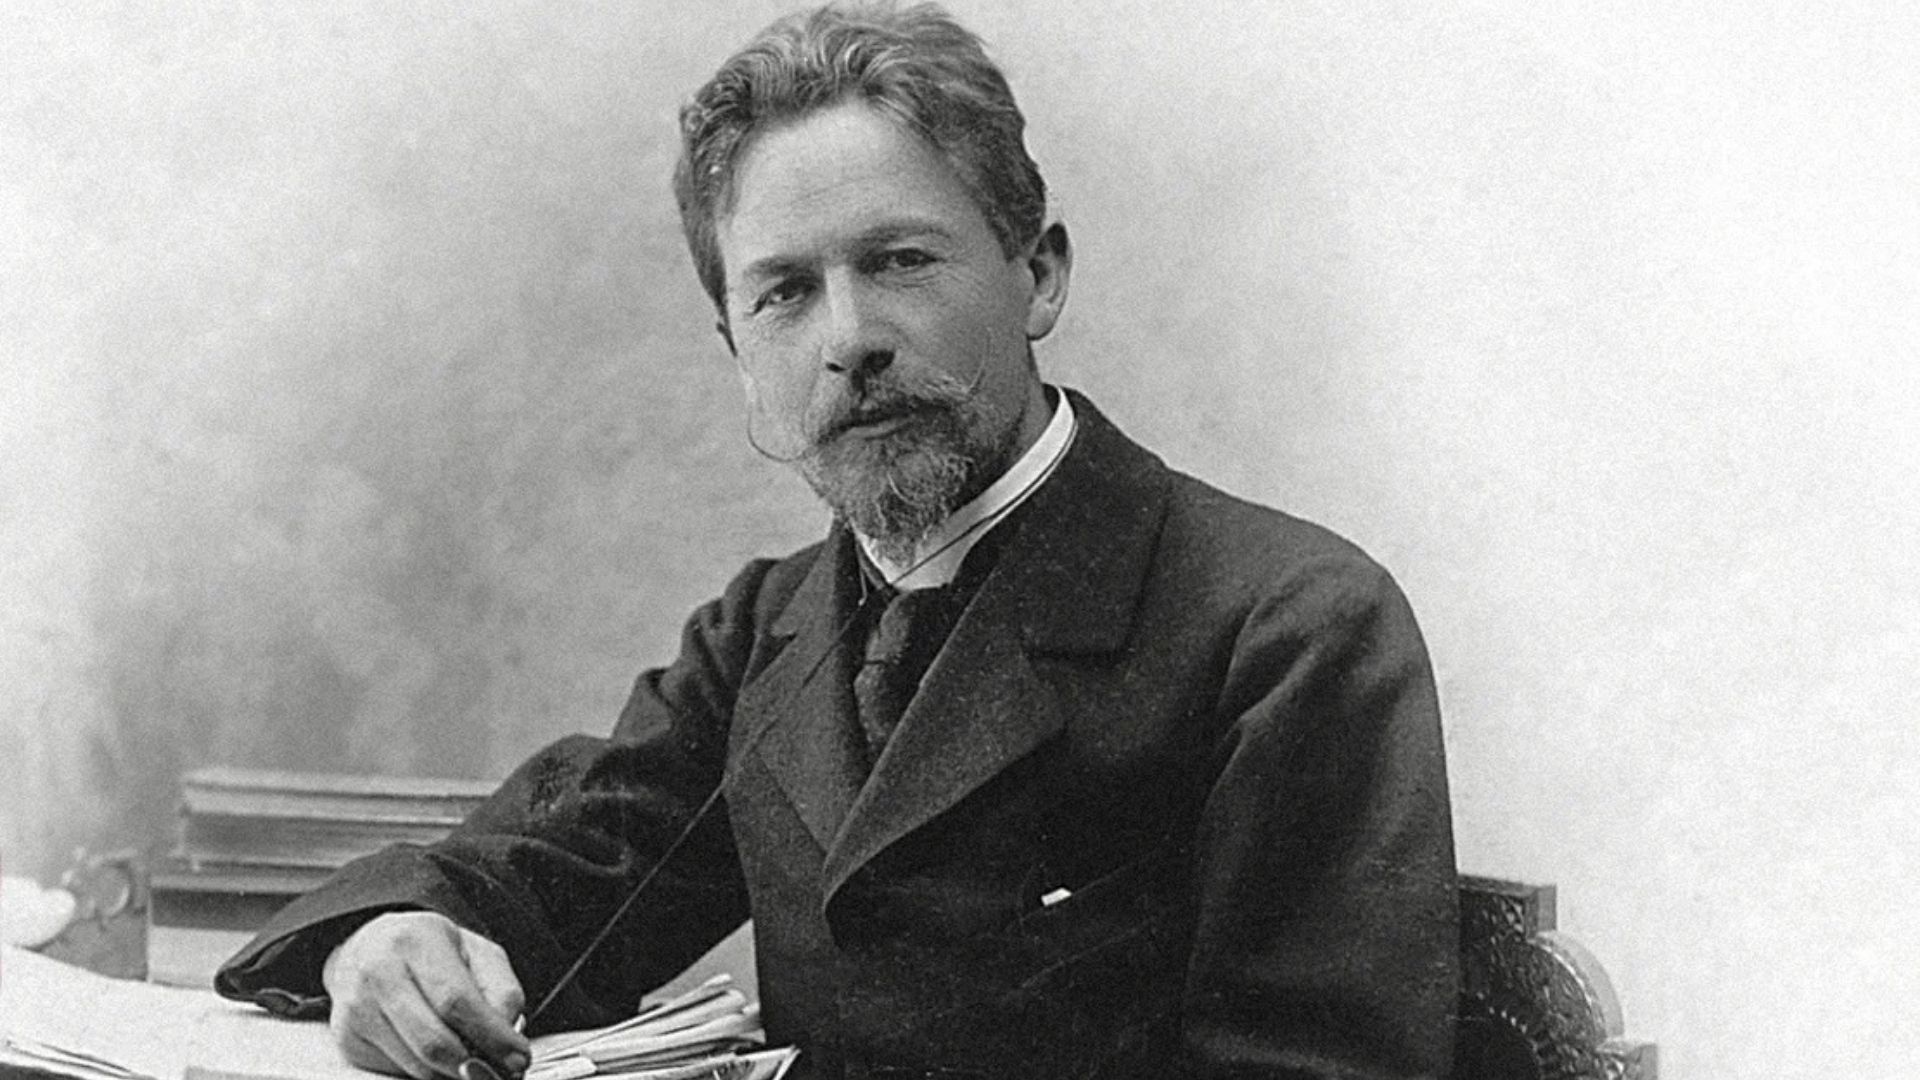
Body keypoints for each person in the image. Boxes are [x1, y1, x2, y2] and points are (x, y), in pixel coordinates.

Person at [215, 4, 1460, 1078]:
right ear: (737, 350)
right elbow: (554, 882)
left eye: (900, 260)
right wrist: (393, 939)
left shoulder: (1289, 630)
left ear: (1038, 275)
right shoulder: (769, 634)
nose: (848, 338)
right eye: (785, 292)